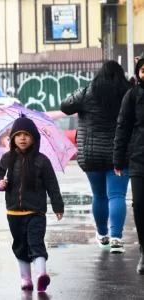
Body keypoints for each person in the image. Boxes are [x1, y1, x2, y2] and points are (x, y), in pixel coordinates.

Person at [61, 60, 132, 253]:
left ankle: (103, 236)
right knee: (117, 195)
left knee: (99, 195)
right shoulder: (128, 92)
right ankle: (116, 239)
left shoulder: (87, 93)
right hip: (120, 153)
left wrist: (82, 91)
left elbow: (65, 106)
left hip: (91, 155)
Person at [0, 117, 64, 293]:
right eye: (19, 135)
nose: (23, 138)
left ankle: (41, 275)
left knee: (36, 242)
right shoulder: (7, 159)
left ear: (34, 138)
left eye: (27, 135)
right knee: (20, 245)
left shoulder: (42, 160)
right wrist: (0, 185)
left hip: (36, 212)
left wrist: (58, 206)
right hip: (14, 213)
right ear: (12, 139)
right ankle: (26, 278)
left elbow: (52, 185)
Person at [114, 56, 144, 274]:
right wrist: (118, 158)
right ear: (139, 73)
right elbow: (122, 128)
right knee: (140, 205)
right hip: (139, 158)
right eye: (143, 70)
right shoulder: (132, 95)